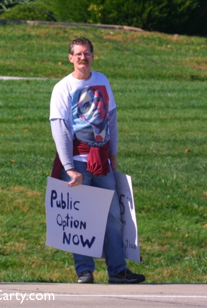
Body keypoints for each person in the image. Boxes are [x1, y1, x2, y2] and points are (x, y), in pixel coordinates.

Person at [49, 37, 145, 284]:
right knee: (80, 218)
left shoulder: (102, 80)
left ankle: (117, 271)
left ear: (93, 56)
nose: (83, 57)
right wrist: (69, 167)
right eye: (78, 54)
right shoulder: (63, 87)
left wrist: (113, 158)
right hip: (78, 160)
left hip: (102, 160)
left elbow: (111, 119)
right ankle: (84, 271)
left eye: (87, 53)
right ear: (70, 58)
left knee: (113, 216)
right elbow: (59, 128)